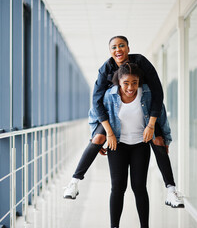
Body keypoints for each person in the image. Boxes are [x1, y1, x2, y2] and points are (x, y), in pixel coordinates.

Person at [63, 35, 184, 208]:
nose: (118, 49)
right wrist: (108, 134)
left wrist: (152, 125)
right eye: (114, 47)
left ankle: (171, 191)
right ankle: (73, 183)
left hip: (145, 112)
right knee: (97, 139)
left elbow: (158, 94)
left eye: (122, 46)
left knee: (158, 141)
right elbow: (96, 102)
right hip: (110, 115)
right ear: (110, 51)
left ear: (128, 48)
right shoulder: (105, 69)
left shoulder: (141, 62)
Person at [93, 62, 172, 228]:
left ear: (139, 82)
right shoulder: (110, 95)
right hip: (118, 145)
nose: (130, 87)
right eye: (126, 83)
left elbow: (160, 115)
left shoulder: (146, 94)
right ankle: (114, 226)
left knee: (139, 188)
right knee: (117, 188)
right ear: (119, 82)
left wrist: (165, 138)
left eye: (134, 83)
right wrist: (98, 135)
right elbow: (97, 113)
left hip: (140, 145)